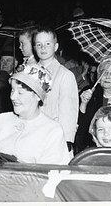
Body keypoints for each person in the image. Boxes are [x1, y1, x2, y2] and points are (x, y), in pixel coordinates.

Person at [0, 64, 70, 165]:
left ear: (38, 96)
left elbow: (50, 174)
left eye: (20, 92)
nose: (13, 97)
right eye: (12, 90)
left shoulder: (52, 131)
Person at [32, 27, 79, 155]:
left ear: (56, 46)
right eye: (39, 44)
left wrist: (67, 138)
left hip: (54, 136)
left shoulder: (64, 75)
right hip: (33, 134)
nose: (43, 48)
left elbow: (69, 110)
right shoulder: (29, 72)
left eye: (48, 44)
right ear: (34, 48)